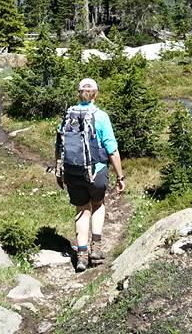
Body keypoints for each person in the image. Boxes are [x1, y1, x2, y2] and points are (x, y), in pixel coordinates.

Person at [55, 77, 125, 272]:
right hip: (97, 171)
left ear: (79, 93)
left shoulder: (69, 114)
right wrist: (120, 177)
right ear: (96, 93)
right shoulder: (100, 116)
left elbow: (59, 145)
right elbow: (112, 150)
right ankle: (97, 248)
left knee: (81, 209)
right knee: (98, 205)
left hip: (72, 172)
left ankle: (82, 256)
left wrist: (59, 173)